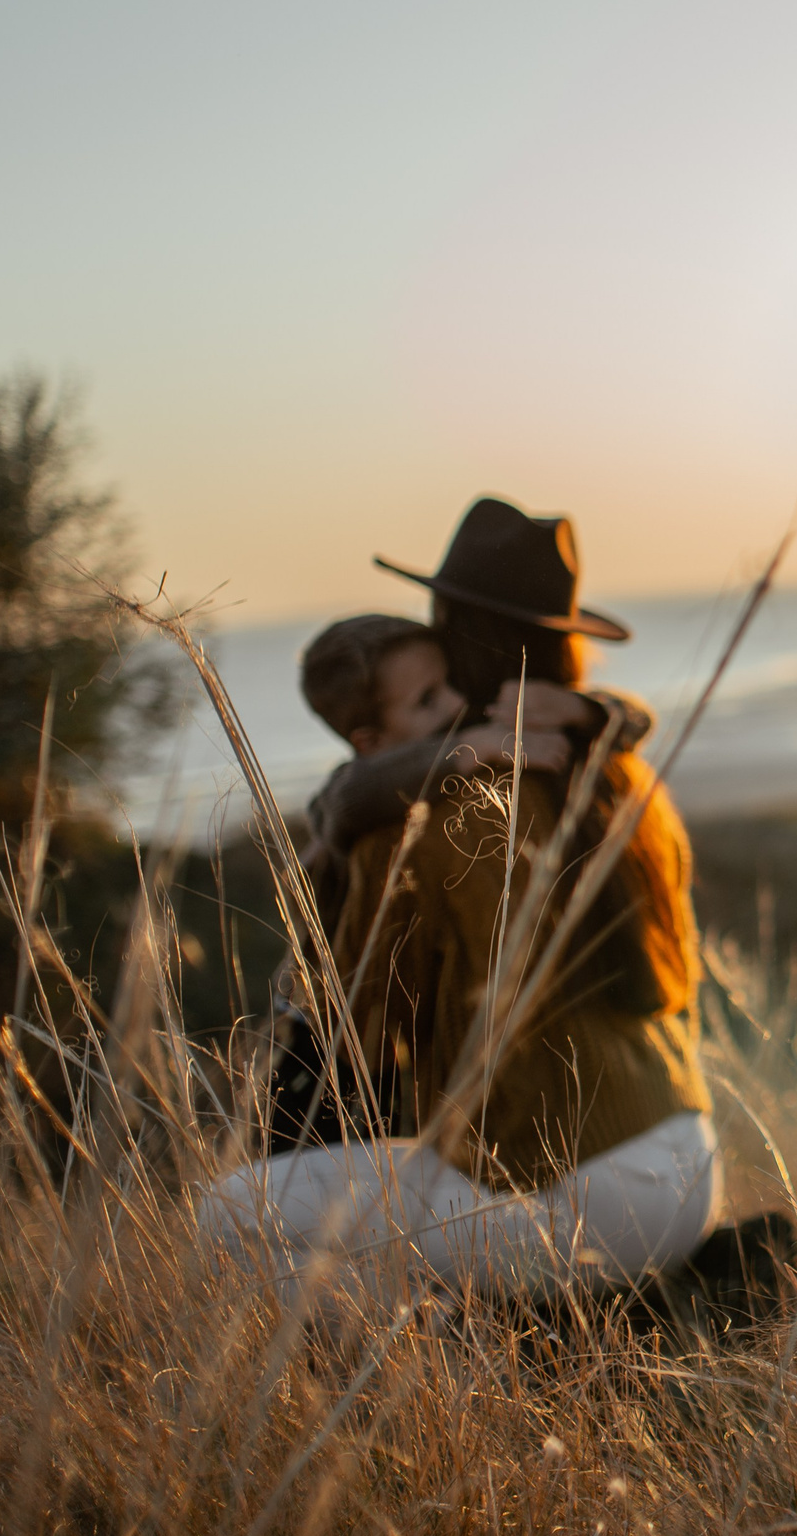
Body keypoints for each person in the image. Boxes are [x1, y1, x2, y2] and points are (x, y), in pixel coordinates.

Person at [201, 498, 723, 1302]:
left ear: (454, 627)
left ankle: (502, 1342)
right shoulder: (616, 771)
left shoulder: (447, 811)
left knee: (232, 1214)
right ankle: (539, 1320)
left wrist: (342, 833)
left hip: (580, 1208)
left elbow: (357, 1032)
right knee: (412, 1195)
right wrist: (594, 712)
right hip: (689, 1165)